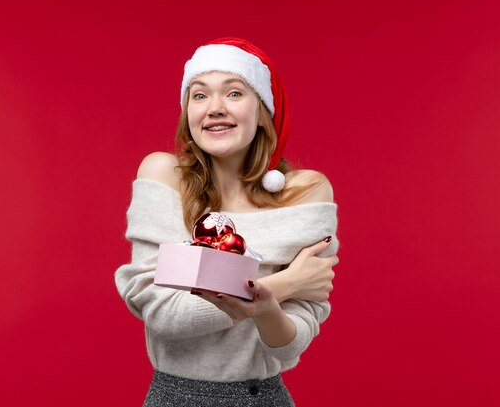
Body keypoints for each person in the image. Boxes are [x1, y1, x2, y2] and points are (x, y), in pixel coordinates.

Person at [115, 37, 340, 406]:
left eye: (234, 93)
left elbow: (290, 346)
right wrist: (282, 284)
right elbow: (163, 314)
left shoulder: (307, 193)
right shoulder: (163, 175)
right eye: (200, 95)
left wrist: (265, 307)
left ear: (263, 112)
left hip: (264, 397)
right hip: (176, 397)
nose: (215, 108)